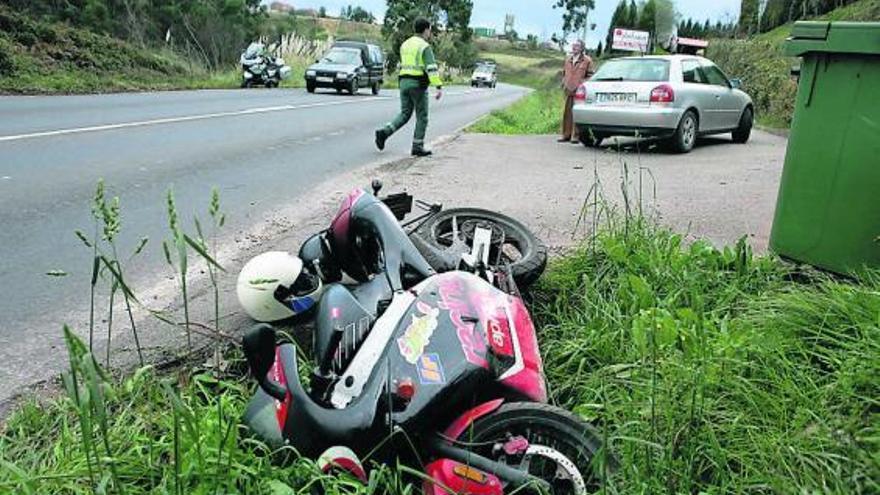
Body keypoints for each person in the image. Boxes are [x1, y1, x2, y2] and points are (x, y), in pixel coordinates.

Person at [374, 18, 443, 157]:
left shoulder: (405, 44)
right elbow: (431, 68)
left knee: (405, 114)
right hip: (417, 84)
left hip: (403, 82)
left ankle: (384, 133)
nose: (430, 32)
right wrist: (438, 86)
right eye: (430, 29)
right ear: (426, 30)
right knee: (422, 116)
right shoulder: (424, 46)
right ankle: (417, 146)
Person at [559, 40, 595, 143]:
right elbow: (564, 73)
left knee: (577, 113)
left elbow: (591, 75)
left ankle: (576, 136)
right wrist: (564, 83)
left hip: (579, 91)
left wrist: (582, 84)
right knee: (567, 113)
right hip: (568, 89)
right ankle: (566, 134)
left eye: (577, 46)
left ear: (582, 48)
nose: (574, 47)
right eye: (573, 45)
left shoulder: (587, 60)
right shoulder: (568, 59)